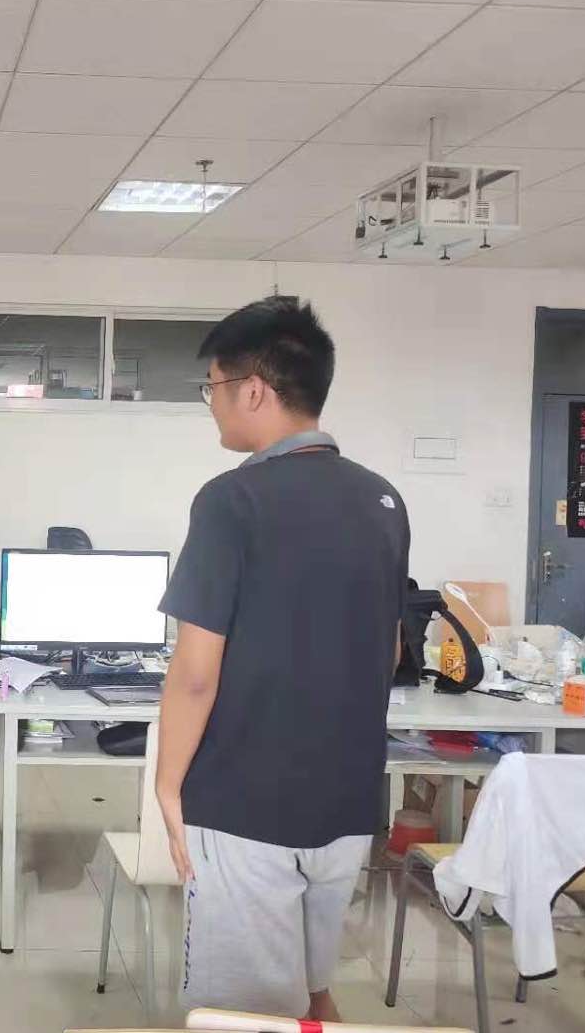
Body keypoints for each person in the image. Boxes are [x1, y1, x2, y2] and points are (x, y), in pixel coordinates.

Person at [155, 295, 410, 1021]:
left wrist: (168, 786)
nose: (211, 402)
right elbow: (390, 646)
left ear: (254, 390)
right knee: (312, 989)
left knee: (246, 1013)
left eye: (212, 385)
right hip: (347, 803)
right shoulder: (383, 500)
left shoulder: (231, 501)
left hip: (245, 807)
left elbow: (195, 674)